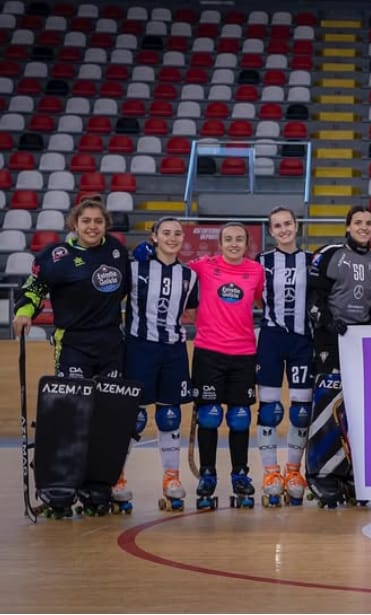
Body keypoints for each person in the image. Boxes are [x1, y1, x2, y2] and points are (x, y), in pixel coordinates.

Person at [12, 196, 130, 516]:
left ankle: (96, 487)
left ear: (106, 225)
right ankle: (59, 490)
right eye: (86, 221)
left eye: (98, 221)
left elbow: (124, 291)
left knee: (106, 420)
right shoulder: (56, 256)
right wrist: (24, 313)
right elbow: (33, 289)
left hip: (110, 346)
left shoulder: (117, 251)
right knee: (70, 418)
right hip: (74, 345)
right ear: (74, 224)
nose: (92, 227)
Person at [306, 205, 371, 506]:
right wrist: (330, 324)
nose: (364, 227)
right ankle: (321, 474)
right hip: (331, 339)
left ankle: (355, 473)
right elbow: (314, 299)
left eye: (369, 223)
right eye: (358, 223)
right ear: (348, 226)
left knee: (358, 409)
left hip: (361, 342)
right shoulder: (329, 255)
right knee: (328, 405)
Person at [184, 222, 265, 510]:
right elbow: (174, 270)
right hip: (209, 352)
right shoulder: (203, 266)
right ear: (220, 243)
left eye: (239, 239)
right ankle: (208, 474)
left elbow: (262, 301)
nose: (233, 244)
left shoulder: (256, 271)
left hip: (243, 353)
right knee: (209, 416)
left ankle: (239, 474)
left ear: (247, 244)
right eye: (228, 239)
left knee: (240, 417)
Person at [120, 217, 198, 512]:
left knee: (169, 416)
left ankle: (171, 478)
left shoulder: (189, 275)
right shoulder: (134, 268)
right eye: (166, 233)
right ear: (154, 237)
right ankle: (116, 476)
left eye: (177, 233)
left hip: (174, 350)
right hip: (139, 348)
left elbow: (194, 311)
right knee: (134, 416)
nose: (172, 238)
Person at [254, 207, 313, 507]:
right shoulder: (261, 262)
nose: (284, 229)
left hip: (303, 340)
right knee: (269, 410)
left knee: (301, 410)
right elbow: (253, 294)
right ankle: (270, 473)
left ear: (296, 225)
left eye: (288, 223)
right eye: (277, 226)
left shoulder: (312, 261)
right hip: (271, 339)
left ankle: (293, 472)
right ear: (271, 231)